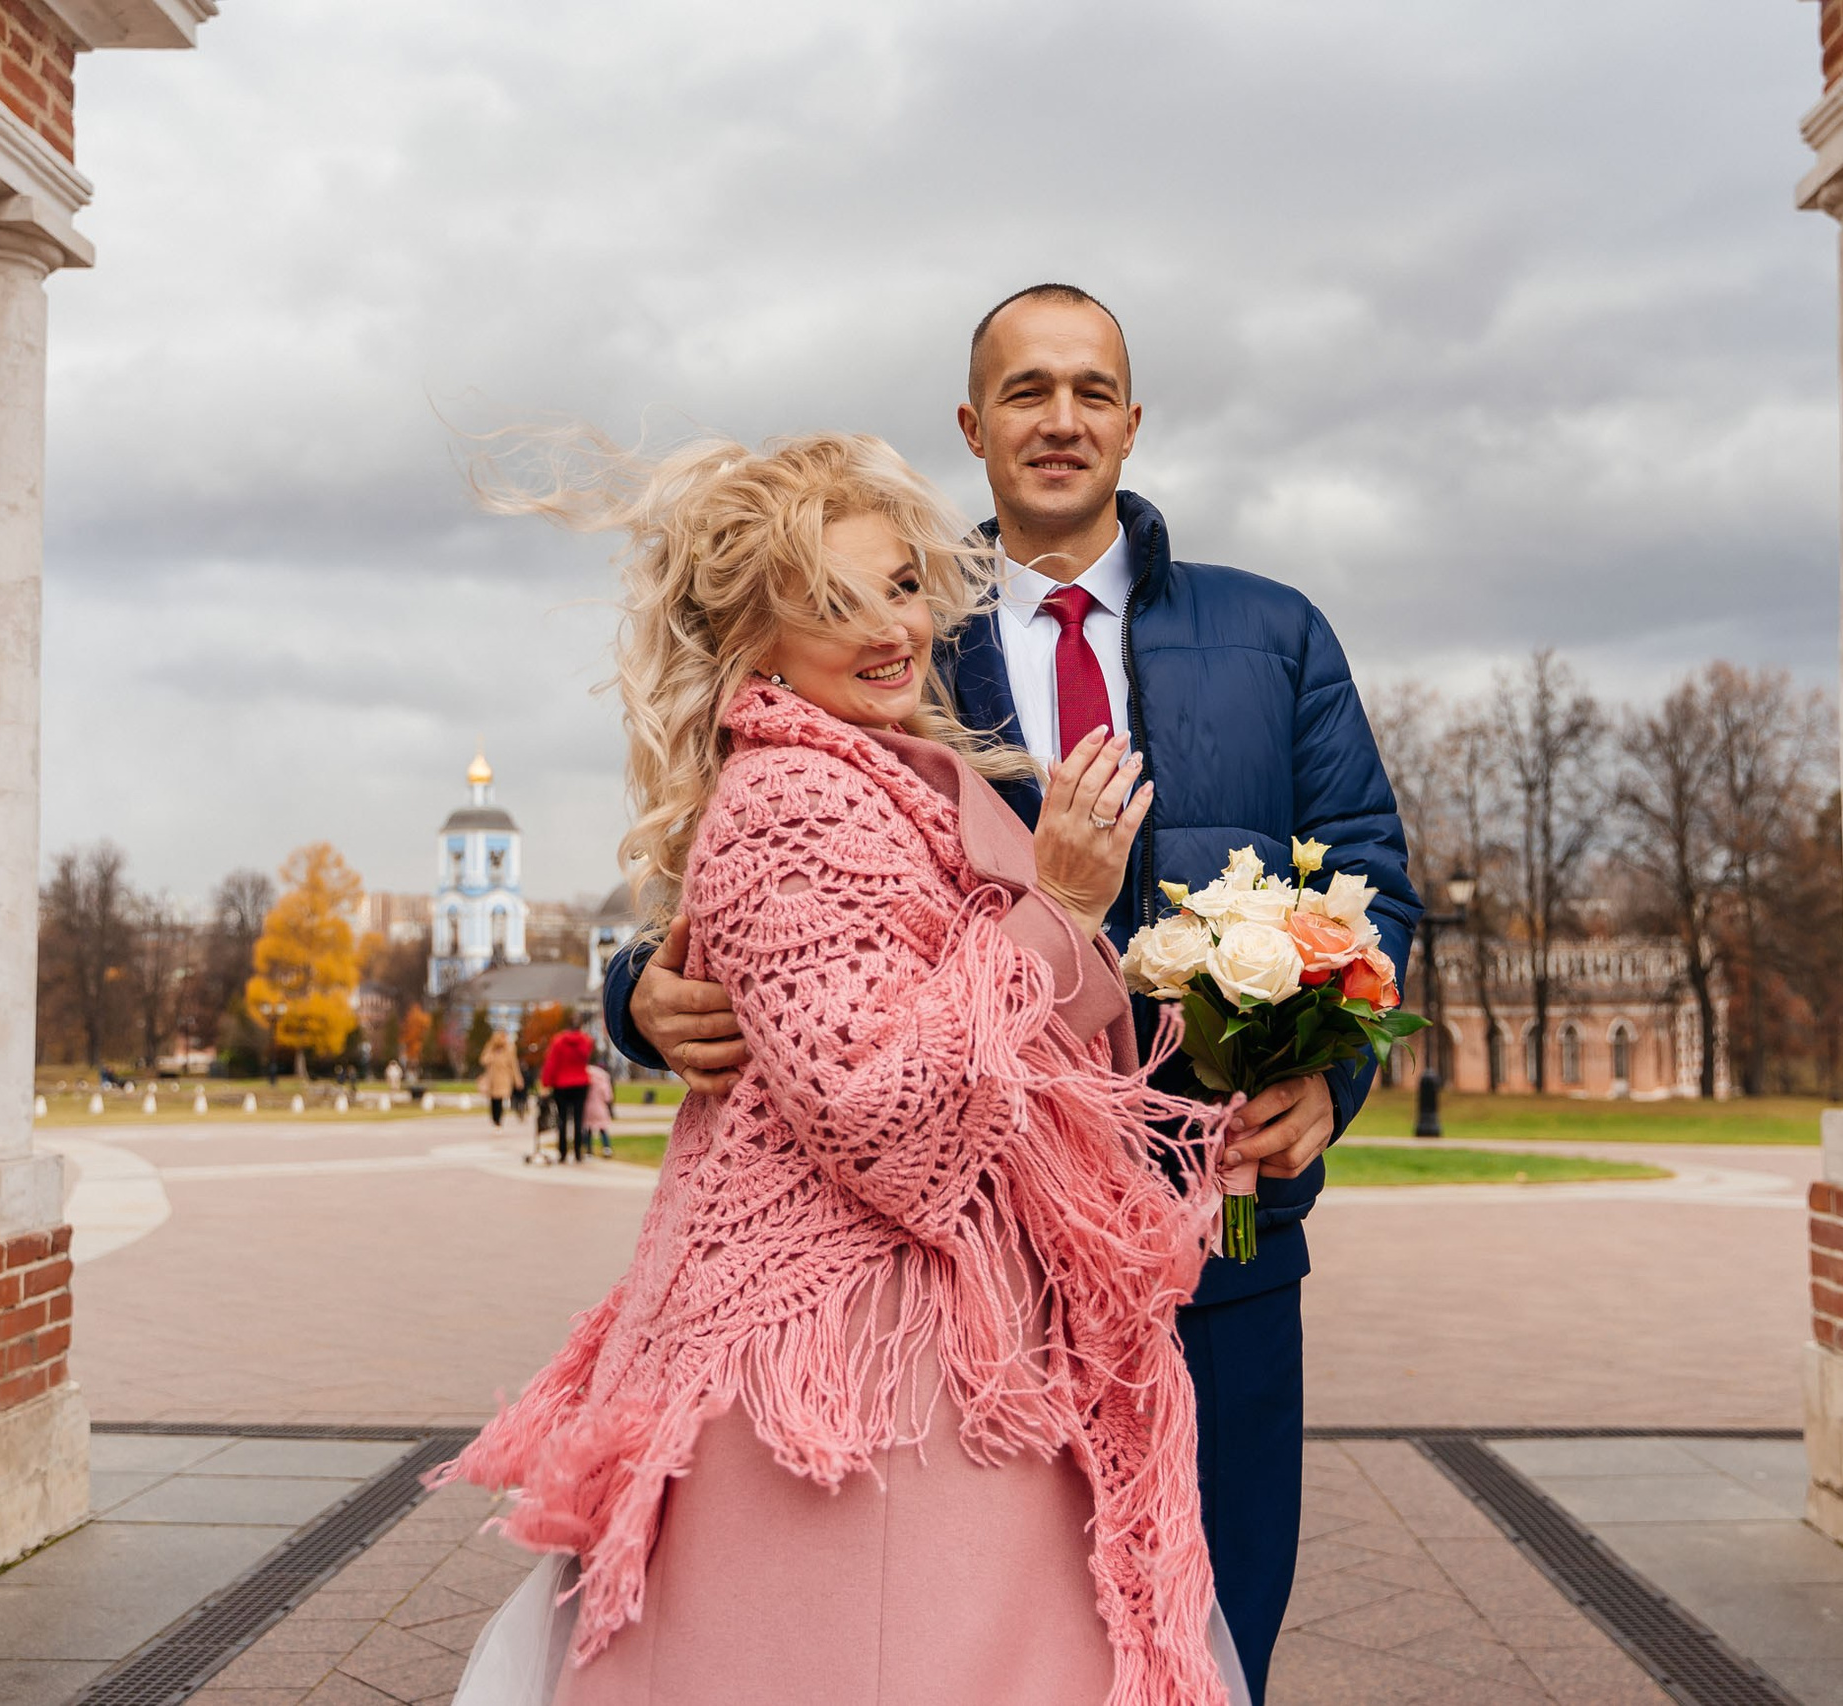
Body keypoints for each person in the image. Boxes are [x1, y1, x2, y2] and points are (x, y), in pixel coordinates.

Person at [603, 285, 1420, 1701]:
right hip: (989, 1274)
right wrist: (637, 995)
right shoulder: (897, 608)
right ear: (973, 428)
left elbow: (1367, 877)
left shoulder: (1275, 631)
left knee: (1216, 1634)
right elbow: (759, 859)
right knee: (998, 1648)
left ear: (1133, 419)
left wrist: (1328, 1076)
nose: (1061, 417)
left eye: (1091, 388)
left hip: (1216, 1230)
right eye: (1026, 390)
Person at [439, 433, 1247, 1706]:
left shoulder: (879, 778)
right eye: (830, 600)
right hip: (860, 1372)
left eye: (899, 585)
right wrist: (1061, 904)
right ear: (754, 639)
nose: (891, 628)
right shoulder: (792, 803)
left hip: (925, 1350)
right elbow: (879, 1104)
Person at [540, 1024, 594, 1162]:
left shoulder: (558, 1042)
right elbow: (587, 1054)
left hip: (562, 1084)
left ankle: (563, 1152)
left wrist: (546, 1082)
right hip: (580, 1083)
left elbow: (551, 1063)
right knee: (578, 1119)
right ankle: (577, 1152)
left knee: (562, 1119)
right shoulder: (584, 1041)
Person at [479, 1028, 523, 1129]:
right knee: (493, 1100)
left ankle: (498, 1121)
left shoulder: (510, 1048)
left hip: (504, 1077)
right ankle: (495, 1119)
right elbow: (483, 1060)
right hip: (492, 1078)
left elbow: (513, 1064)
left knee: (500, 1099)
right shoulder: (491, 1047)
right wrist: (492, 1054)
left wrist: (517, 1079)